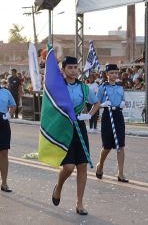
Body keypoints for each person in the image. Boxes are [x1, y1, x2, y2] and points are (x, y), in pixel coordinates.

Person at [51, 56, 100, 215]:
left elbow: (96, 103)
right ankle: (58, 187)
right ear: (63, 70)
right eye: (70, 67)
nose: (73, 70)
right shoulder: (58, 87)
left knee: (82, 166)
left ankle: (79, 203)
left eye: (75, 67)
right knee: (68, 167)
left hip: (79, 127)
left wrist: (89, 115)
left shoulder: (84, 88)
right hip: (64, 128)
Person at [95, 64, 129, 183]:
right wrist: (103, 104)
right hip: (107, 116)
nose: (115, 75)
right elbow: (97, 103)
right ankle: (100, 165)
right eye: (112, 73)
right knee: (107, 146)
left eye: (116, 73)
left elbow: (123, 100)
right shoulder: (102, 88)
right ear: (107, 74)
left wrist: (123, 103)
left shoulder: (120, 88)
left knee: (120, 146)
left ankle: (120, 173)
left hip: (118, 116)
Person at [0, 85, 16, 192]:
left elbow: (13, 105)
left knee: (4, 152)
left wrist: (9, 114)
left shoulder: (5, 91)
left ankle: (4, 183)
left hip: (3, 123)